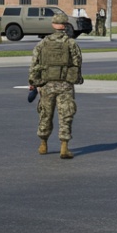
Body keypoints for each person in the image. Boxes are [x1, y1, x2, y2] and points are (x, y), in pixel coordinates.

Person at [28, 12, 83, 159]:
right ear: (65, 25)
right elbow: (77, 63)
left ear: (53, 25)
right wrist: (75, 79)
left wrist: (33, 83)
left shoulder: (42, 43)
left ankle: (43, 144)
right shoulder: (71, 43)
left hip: (47, 85)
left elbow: (34, 65)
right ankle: (64, 147)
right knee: (66, 115)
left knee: (45, 114)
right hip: (65, 85)